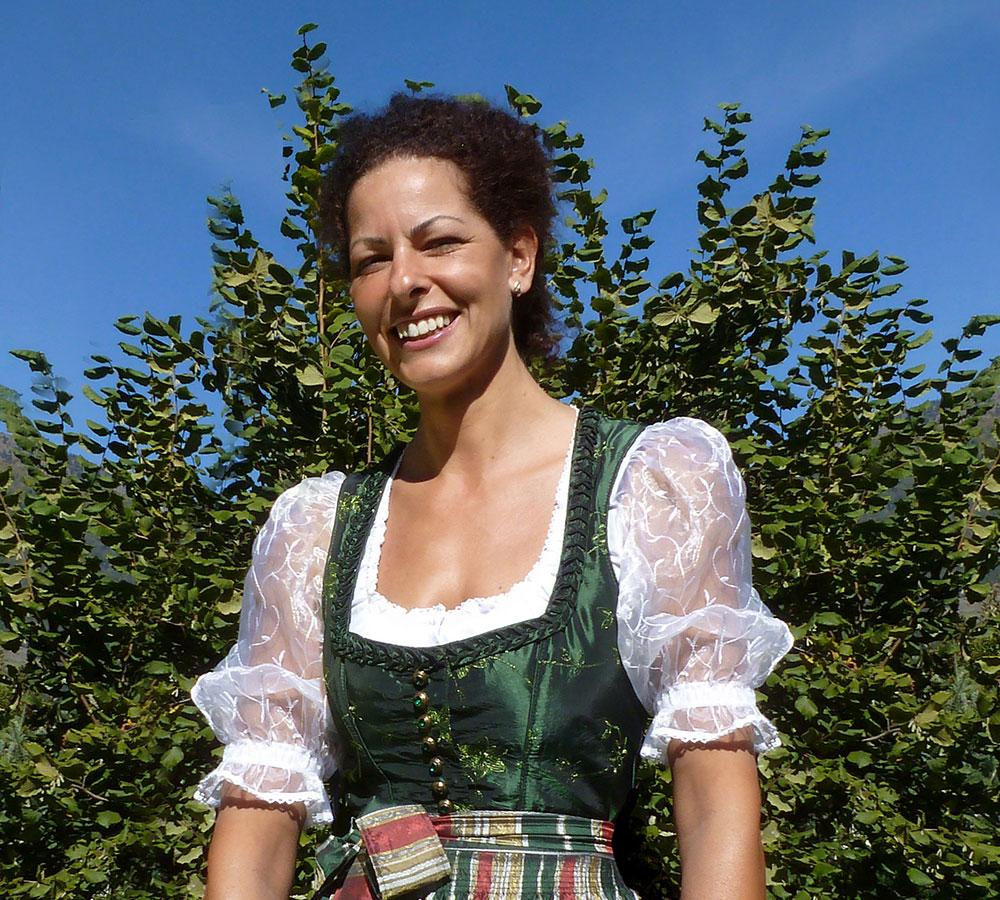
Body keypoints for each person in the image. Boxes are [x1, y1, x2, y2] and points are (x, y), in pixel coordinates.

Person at [191, 94, 793, 900]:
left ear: (518, 258)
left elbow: (717, 807)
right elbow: (258, 827)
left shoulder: (651, 484)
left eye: (439, 242)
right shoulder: (315, 533)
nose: (406, 281)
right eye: (371, 260)